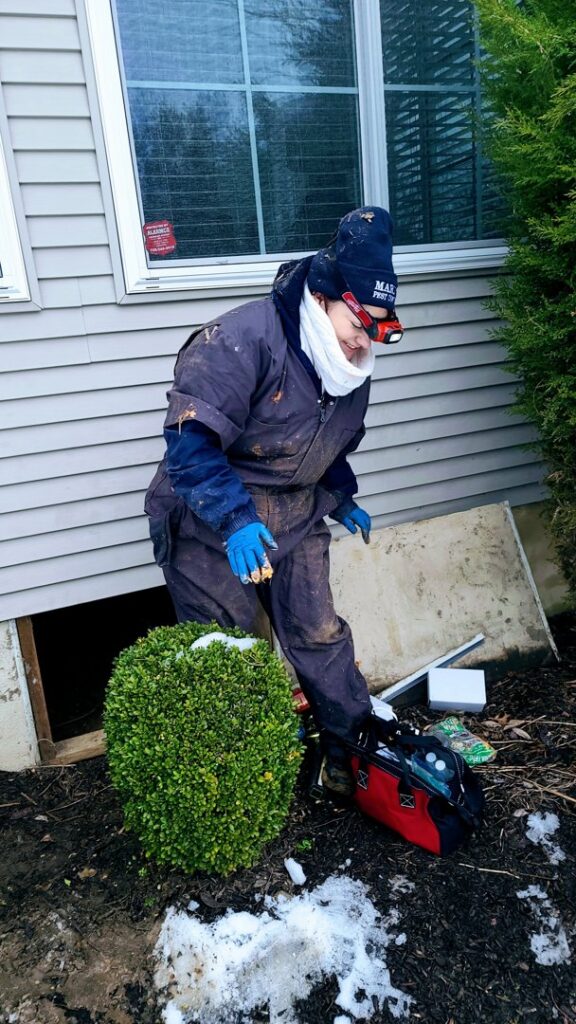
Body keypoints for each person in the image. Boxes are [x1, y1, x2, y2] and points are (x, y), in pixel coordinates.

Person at [145, 206, 403, 796]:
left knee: (319, 633)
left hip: (297, 508)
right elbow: (190, 440)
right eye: (360, 322)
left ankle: (354, 755)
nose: (364, 341)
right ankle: (237, 784)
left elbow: (323, 442)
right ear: (323, 296)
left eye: (380, 328)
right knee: (227, 647)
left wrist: (342, 497)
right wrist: (235, 520)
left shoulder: (348, 364)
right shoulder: (244, 337)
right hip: (213, 513)